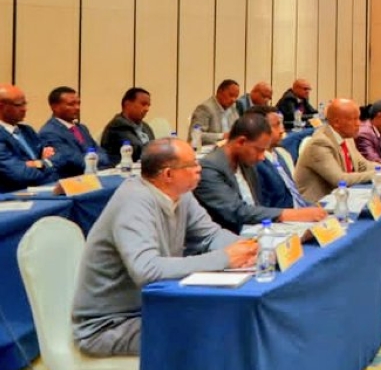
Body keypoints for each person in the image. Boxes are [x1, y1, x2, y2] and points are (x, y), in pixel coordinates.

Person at [72, 138, 258, 357]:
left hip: (150, 308)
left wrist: (251, 247)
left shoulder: (181, 193)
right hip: (109, 326)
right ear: (168, 174)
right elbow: (147, 271)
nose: (200, 168)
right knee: (212, 332)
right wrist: (225, 258)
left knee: (225, 318)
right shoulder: (134, 202)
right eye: (192, 165)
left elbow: (210, 235)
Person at [194, 111, 326, 231]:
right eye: (259, 150)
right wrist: (291, 214)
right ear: (241, 142)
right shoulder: (209, 169)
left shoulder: (245, 163)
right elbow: (237, 211)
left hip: (260, 231)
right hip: (230, 238)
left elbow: (257, 205)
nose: (262, 157)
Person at [293, 98, 381, 202]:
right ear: (336, 122)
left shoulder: (347, 138)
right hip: (317, 205)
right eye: (354, 119)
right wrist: (379, 173)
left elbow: (362, 165)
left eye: (359, 118)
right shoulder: (320, 144)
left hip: (341, 198)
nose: (358, 123)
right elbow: (340, 180)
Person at [0, 84, 60, 191]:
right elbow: (19, 174)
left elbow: (57, 159)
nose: (25, 109)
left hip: (44, 189)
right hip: (13, 196)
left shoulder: (27, 131)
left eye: (25, 104)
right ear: (1, 106)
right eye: (19, 105)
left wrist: (37, 163)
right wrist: (44, 163)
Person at [253, 108, 310, 210]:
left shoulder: (282, 154)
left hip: (301, 209)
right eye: (276, 125)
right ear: (259, 130)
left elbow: (295, 194)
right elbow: (265, 208)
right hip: (284, 219)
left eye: (281, 124)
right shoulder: (256, 163)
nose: (282, 131)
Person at [37, 86, 95, 176]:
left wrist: (95, 160)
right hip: (70, 180)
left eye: (78, 103)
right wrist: (94, 161)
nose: (77, 108)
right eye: (71, 104)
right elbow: (75, 161)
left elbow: (101, 153)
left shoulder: (82, 128)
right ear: (55, 107)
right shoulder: (49, 132)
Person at [100, 87, 155, 164]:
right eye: (143, 104)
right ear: (127, 104)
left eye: (148, 105)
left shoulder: (145, 126)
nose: (147, 109)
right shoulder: (117, 126)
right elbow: (137, 152)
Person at [189, 79, 240, 146]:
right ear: (219, 92)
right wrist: (222, 136)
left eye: (236, 97)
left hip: (229, 147)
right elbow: (196, 134)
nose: (233, 100)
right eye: (231, 95)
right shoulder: (205, 108)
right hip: (209, 150)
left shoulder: (233, 108)